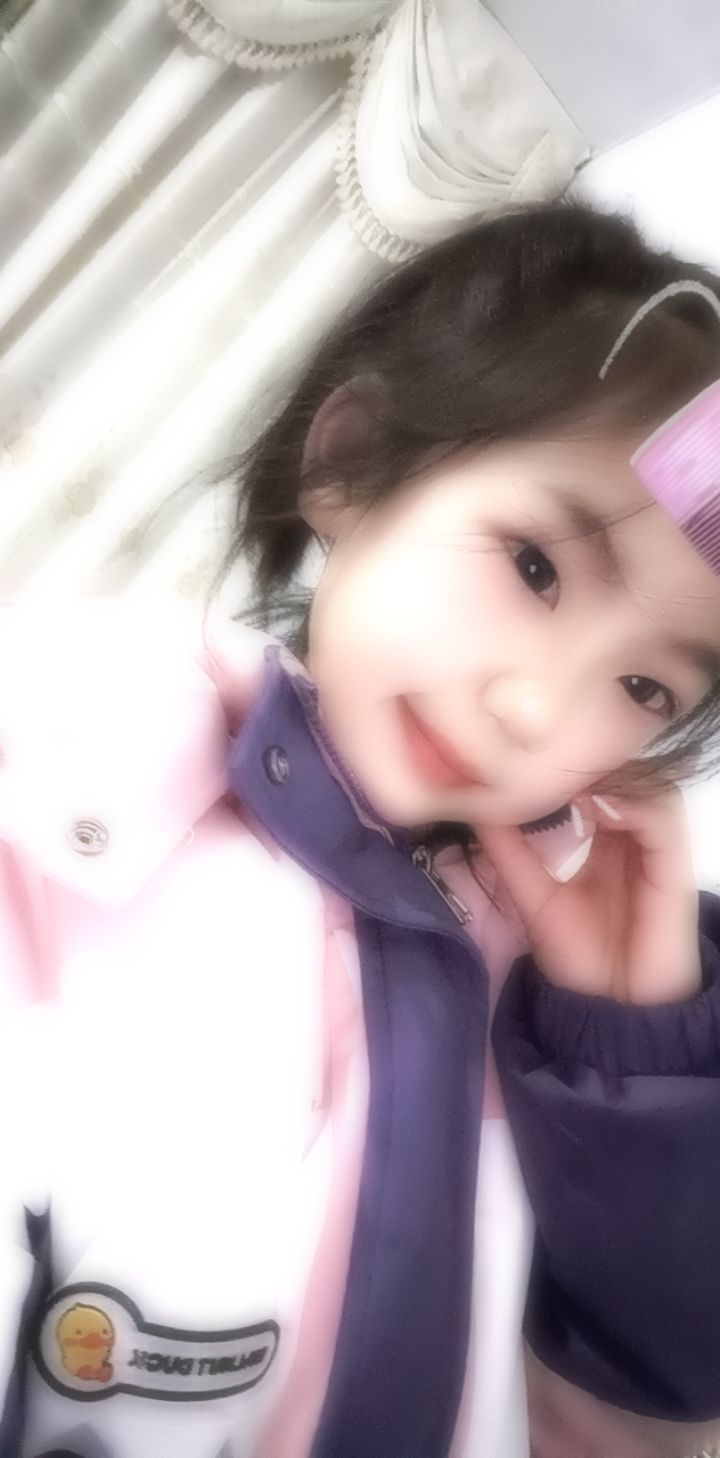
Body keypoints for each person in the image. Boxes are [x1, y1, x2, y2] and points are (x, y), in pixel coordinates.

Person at [2, 199, 720, 1458]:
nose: (536, 710)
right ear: (353, 456)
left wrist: (630, 1038)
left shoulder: (576, 991)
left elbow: (660, 1381)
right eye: (536, 566)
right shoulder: (81, 795)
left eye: (644, 686)